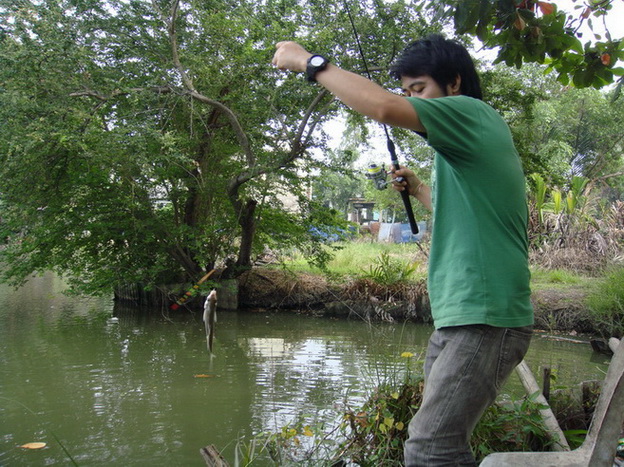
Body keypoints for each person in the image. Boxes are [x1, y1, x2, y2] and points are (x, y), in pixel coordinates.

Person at [272, 34, 534, 466]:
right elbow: (467, 210)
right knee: (434, 443)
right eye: (408, 92)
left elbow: (382, 107)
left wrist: (311, 63)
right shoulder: (464, 144)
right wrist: (419, 189)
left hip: (486, 315)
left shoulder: (472, 112)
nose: (412, 100)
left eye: (419, 90)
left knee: (431, 450)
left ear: (453, 83)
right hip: (462, 315)